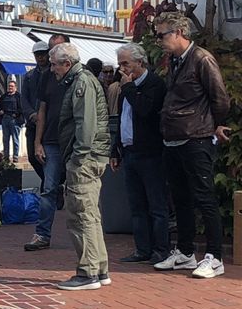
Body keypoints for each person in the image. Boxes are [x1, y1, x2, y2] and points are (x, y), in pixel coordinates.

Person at [152, 12, 231, 278]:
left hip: (195, 137)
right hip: (173, 137)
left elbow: (219, 98)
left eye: (162, 34)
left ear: (178, 33)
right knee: (180, 198)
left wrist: (217, 125)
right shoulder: (174, 61)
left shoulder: (201, 59)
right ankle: (185, 252)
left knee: (204, 198)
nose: (159, 40)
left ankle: (215, 257)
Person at [52, 43, 111, 290]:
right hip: (90, 156)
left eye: (55, 64)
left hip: (84, 159)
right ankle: (99, 269)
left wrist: (77, 159)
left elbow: (85, 127)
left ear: (67, 63)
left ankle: (88, 273)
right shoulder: (81, 80)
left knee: (80, 215)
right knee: (91, 215)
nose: (52, 68)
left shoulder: (81, 83)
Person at [110, 43, 168, 265]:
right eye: (120, 64)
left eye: (126, 64)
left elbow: (145, 110)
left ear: (140, 62)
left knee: (156, 205)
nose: (122, 69)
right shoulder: (127, 88)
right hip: (130, 151)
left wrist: (128, 88)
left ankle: (161, 250)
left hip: (150, 152)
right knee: (136, 205)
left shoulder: (153, 84)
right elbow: (123, 119)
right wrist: (116, 149)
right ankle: (142, 248)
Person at [23, 33, 69, 252]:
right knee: (48, 188)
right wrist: (37, 142)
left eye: (56, 50)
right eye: (49, 51)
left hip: (73, 140)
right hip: (51, 139)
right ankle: (42, 234)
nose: (51, 56)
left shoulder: (82, 76)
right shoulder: (45, 76)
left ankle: (85, 236)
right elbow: (41, 108)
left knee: (80, 190)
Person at [20, 40, 50, 185]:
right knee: (32, 156)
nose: (40, 58)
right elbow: (23, 98)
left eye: (43, 54)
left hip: (50, 123)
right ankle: (48, 182)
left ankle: (51, 184)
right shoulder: (30, 76)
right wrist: (31, 114)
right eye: (37, 55)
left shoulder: (54, 73)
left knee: (49, 157)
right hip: (33, 123)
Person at [0, 80, 23, 162]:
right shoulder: (4, 96)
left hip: (14, 120)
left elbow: (22, 108)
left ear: (15, 87)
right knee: (5, 139)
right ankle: (6, 156)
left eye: (12, 86)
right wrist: (0, 110)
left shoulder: (18, 96)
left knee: (15, 139)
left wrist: (16, 114)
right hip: (5, 119)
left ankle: (15, 157)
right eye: (9, 86)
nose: (10, 88)